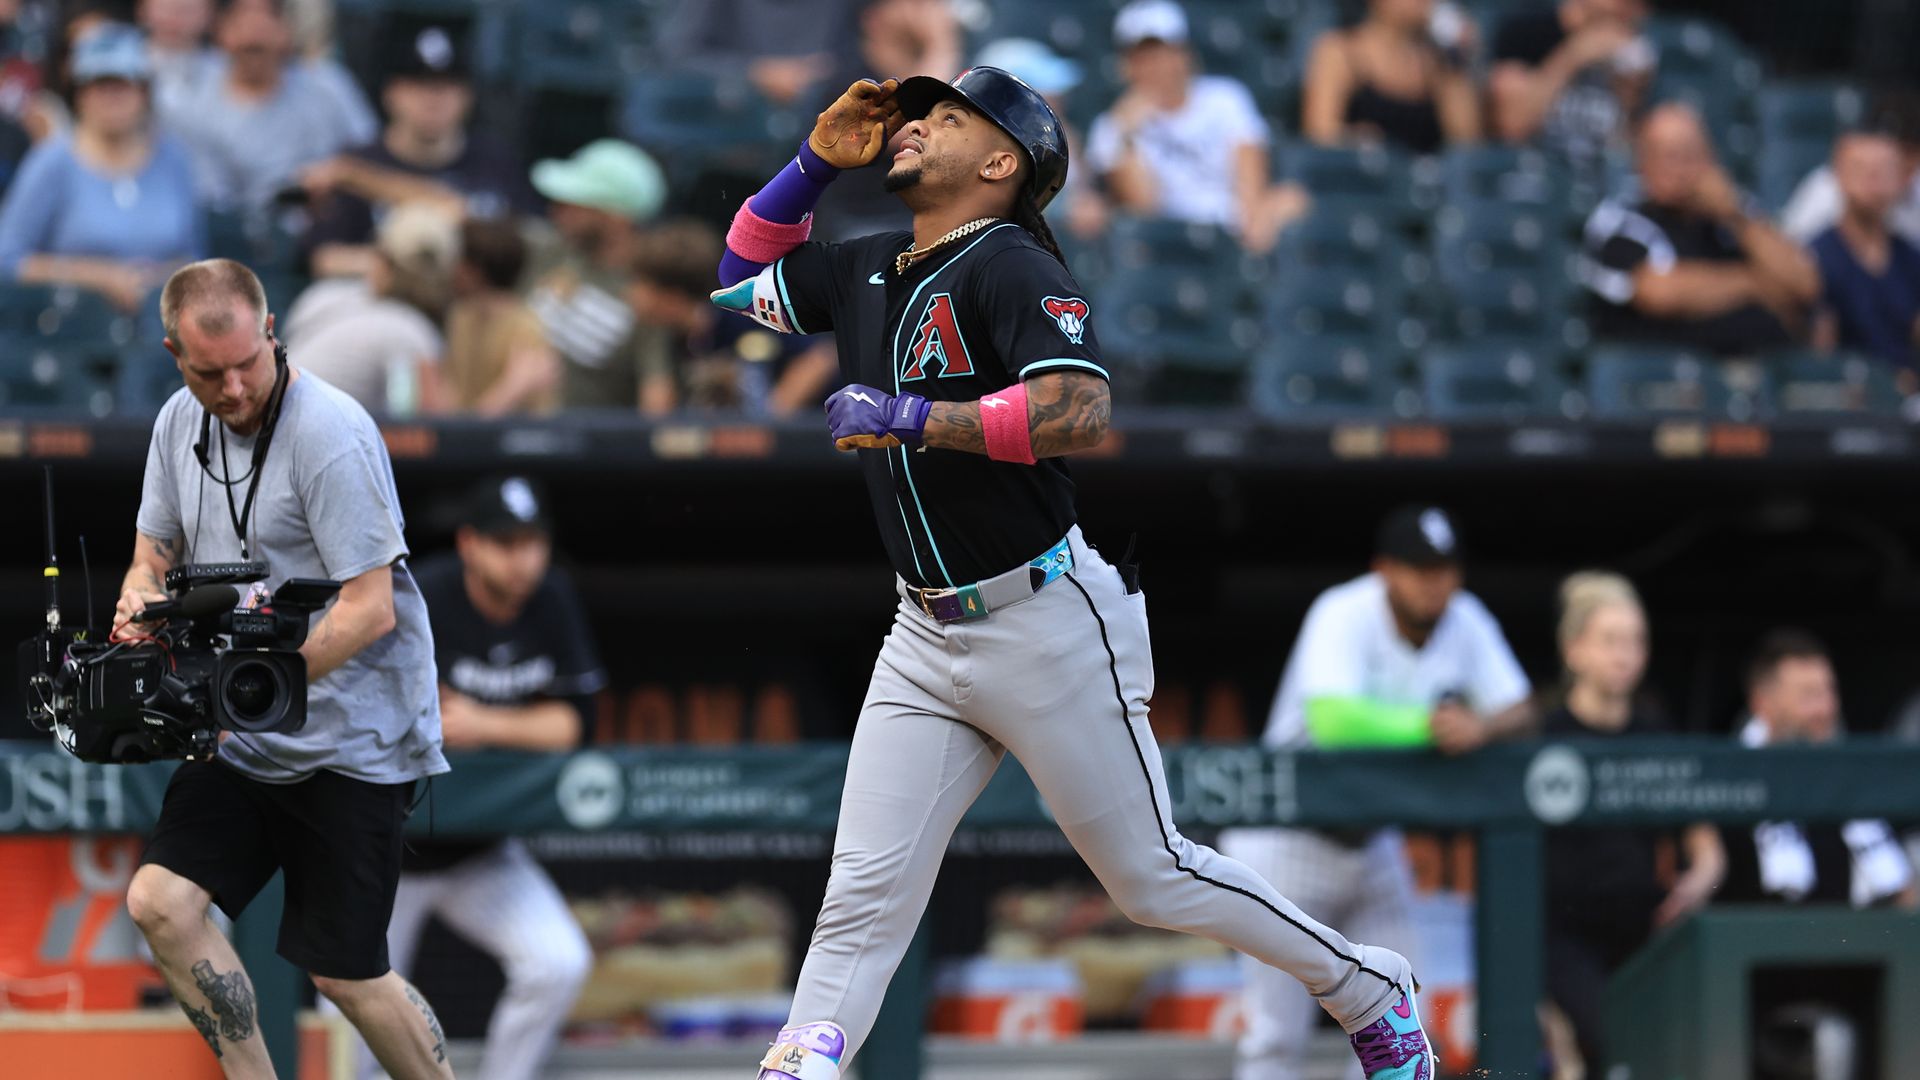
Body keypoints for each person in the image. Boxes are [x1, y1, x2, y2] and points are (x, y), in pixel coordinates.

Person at [710, 70, 1434, 1080]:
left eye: (947, 117)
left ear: (1000, 163)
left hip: (1043, 614)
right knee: (861, 892)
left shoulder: (1008, 262)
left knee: (1153, 878)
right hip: (924, 632)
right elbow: (738, 283)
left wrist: (919, 419)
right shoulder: (869, 262)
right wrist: (811, 166)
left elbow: (1078, 414)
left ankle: (1367, 987)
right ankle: (801, 1061)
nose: (913, 124)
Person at [111, 258, 452, 1078]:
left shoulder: (329, 433)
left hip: (355, 740)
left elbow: (373, 610)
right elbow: (149, 560)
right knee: (159, 903)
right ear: (172, 353)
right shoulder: (173, 426)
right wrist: (137, 609)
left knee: (347, 974)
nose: (232, 389)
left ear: (272, 333)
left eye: (246, 366)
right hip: (244, 732)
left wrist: (257, 681)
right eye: (207, 373)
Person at [1220, 505, 1533, 1080]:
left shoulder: (1464, 617)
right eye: (1418, 569)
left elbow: (1520, 704)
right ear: (1385, 569)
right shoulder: (1343, 609)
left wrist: (1483, 726)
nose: (1433, 583)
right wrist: (1431, 726)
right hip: (1289, 838)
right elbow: (1334, 721)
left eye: (1443, 569)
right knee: (1275, 1038)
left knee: (1399, 1020)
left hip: (1372, 841)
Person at [355, 476, 602, 1080]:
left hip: (479, 852)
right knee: (353, 1022)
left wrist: (482, 720)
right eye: (504, 543)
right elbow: (375, 703)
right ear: (470, 543)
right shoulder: (424, 593)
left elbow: (572, 724)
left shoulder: (552, 597)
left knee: (558, 961)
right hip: (389, 854)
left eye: (532, 542)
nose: (523, 560)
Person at [1540, 571, 1724, 1075]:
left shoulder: (1654, 732)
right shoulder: (1543, 734)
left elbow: (1705, 846)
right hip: (1562, 935)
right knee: (1606, 1038)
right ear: (1573, 650)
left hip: (1642, 930)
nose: (1625, 655)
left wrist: (1698, 881)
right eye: (1610, 641)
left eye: (1636, 641)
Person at [301, 24, 537, 280]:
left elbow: (525, 243)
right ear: (390, 94)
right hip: (381, 305)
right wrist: (405, 268)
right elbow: (323, 258)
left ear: (468, 96)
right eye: (418, 85)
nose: (433, 100)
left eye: (446, 87)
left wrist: (357, 177)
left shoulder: (496, 159)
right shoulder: (360, 158)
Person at [1582, 103, 1821, 356]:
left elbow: (1805, 283)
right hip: (1662, 379)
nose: (1682, 169)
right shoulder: (1621, 221)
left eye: (1692, 155)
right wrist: (1753, 282)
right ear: (1642, 163)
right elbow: (1659, 293)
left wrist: (1735, 215)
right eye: (1670, 156)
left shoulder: (1735, 218)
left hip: (1757, 368)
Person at [0, 23, 202, 311]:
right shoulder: (51, 162)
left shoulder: (175, 160)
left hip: (161, 322)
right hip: (70, 324)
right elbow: (8, 259)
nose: (112, 97)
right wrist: (98, 276)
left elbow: (194, 255)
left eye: (124, 84)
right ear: (79, 94)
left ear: (144, 92)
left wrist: (154, 278)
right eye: (99, 85)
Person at [1085, 0, 1301, 253]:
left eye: (1161, 53)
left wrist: (1252, 229)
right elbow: (1144, 209)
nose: (1154, 66)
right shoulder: (1112, 126)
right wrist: (1127, 134)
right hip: (1170, 244)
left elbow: (1250, 177)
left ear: (1183, 54)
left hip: (1233, 230)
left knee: (1291, 200)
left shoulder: (1225, 98)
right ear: (1126, 66)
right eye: (1141, 57)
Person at [1720, 630, 1916, 909]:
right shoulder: (1729, 788)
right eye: (1808, 695)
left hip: (1859, 944)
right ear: (1761, 703)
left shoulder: (1856, 782)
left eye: (1829, 691)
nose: (1825, 709)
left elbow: (1899, 889)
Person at [157, 0, 375, 212]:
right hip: (241, 233)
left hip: (330, 222)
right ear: (221, 32)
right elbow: (208, 200)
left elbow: (374, 155)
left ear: (286, 32)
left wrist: (339, 174)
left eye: (265, 25)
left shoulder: (328, 86)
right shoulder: (191, 102)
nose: (254, 36)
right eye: (244, 27)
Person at [520, 138, 675, 412]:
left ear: (616, 217)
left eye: (575, 203)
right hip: (502, 433)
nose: (557, 212)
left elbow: (657, 397)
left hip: (589, 446)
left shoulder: (650, 297)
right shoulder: (548, 252)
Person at [627, 217, 836, 414]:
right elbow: (657, 414)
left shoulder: (743, 313)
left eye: (641, 284)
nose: (631, 294)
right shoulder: (667, 338)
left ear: (672, 296)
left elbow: (818, 359)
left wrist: (768, 427)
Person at [279, 202, 453, 415]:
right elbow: (421, 419)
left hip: (272, 430)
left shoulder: (324, 293)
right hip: (307, 435)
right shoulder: (410, 329)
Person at [810, 0, 962, 240]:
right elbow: (914, 130)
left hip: (928, 219)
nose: (931, 11)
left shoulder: (939, 72)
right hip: (863, 225)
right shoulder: (849, 83)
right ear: (873, 18)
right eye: (916, 3)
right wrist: (942, 46)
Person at [1487, 0, 1654, 190]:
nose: (1635, 11)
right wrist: (1573, 56)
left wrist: (1630, 96)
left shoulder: (1634, 49)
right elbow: (1513, 126)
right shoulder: (1525, 30)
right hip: (1535, 181)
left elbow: (1627, 153)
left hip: (1600, 187)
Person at [1808, 130, 1920, 389]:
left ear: (1902, 177)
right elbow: (1821, 356)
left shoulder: (1910, 258)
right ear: (1838, 173)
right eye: (1862, 169)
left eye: (1884, 170)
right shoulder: (1817, 257)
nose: (1874, 181)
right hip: (1850, 406)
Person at [1301, 0, 1480, 156]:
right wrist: (1353, 141)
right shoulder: (1338, 50)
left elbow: (1465, 143)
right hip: (1361, 184)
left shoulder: (1441, 62)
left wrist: (1457, 59)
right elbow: (1319, 135)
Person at [440, 216, 559, 415]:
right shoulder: (461, 317)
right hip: (466, 437)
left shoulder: (526, 329)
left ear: (473, 270)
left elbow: (527, 411)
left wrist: (514, 386)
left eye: (458, 260)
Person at [1781, 92, 1920, 247]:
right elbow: (1792, 255)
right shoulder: (1827, 189)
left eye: (1912, 156)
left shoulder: (1915, 186)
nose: (1905, 165)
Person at [659, 0, 858, 106]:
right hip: (729, 137)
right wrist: (756, 72)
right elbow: (676, 55)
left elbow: (868, 50)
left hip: (828, 120)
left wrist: (821, 72)